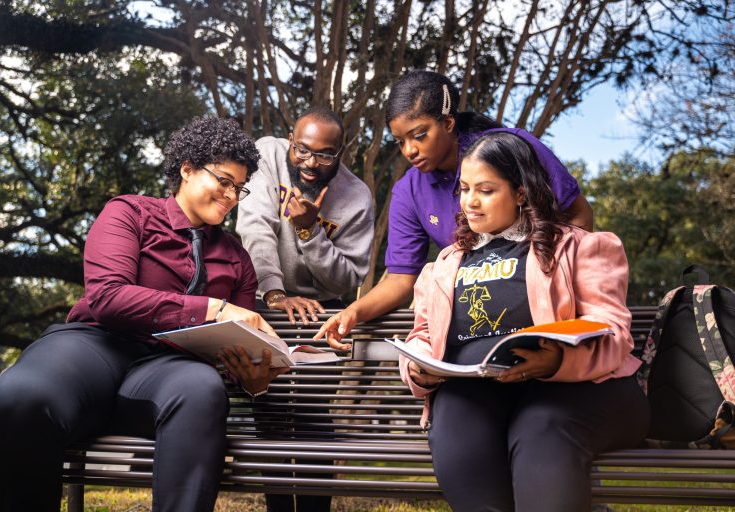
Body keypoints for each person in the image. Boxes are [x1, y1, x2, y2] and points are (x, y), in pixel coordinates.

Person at [0, 116, 287, 512]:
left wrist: (253, 379)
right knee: (20, 396)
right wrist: (210, 306)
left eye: (239, 188)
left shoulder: (237, 258)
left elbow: (236, 340)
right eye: (224, 181)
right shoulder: (129, 213)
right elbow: (109, 297)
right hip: (91, 346)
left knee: (202, 389)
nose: (231, 195)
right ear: (187, 168)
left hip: (170, 370)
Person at [398, 131, 649, 512]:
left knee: (540, 425)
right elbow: (422, 334)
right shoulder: (444, 265)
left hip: (574, 391)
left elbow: (613, 334)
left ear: (520, 192)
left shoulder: (580, 247)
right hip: (481, 393)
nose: (469, 202)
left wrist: (558, 361)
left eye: (485, 190)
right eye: (464, 189)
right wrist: (417, 369)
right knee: (452, 414)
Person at [315, 70, 594, 348]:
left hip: (542, 308)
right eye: (401, 141)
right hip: (475, 319)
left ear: (448, 123)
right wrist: (354, 311)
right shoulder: (408, 191)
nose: (409, 150)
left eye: (419, 135)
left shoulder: (511, 148)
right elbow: (401, 280)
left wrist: (553, 284)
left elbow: (579, 216)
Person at [236, 106, 374, 325]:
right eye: (302, 150)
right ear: (290, 140)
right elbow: (256, 228)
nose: (310, 163)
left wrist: (309, 231)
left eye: (325, 155)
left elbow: (346, 280)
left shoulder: (358, 198)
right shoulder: (267, 155)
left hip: (321, 308)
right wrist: (274, 294)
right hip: (263, 294)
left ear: (340, 152)